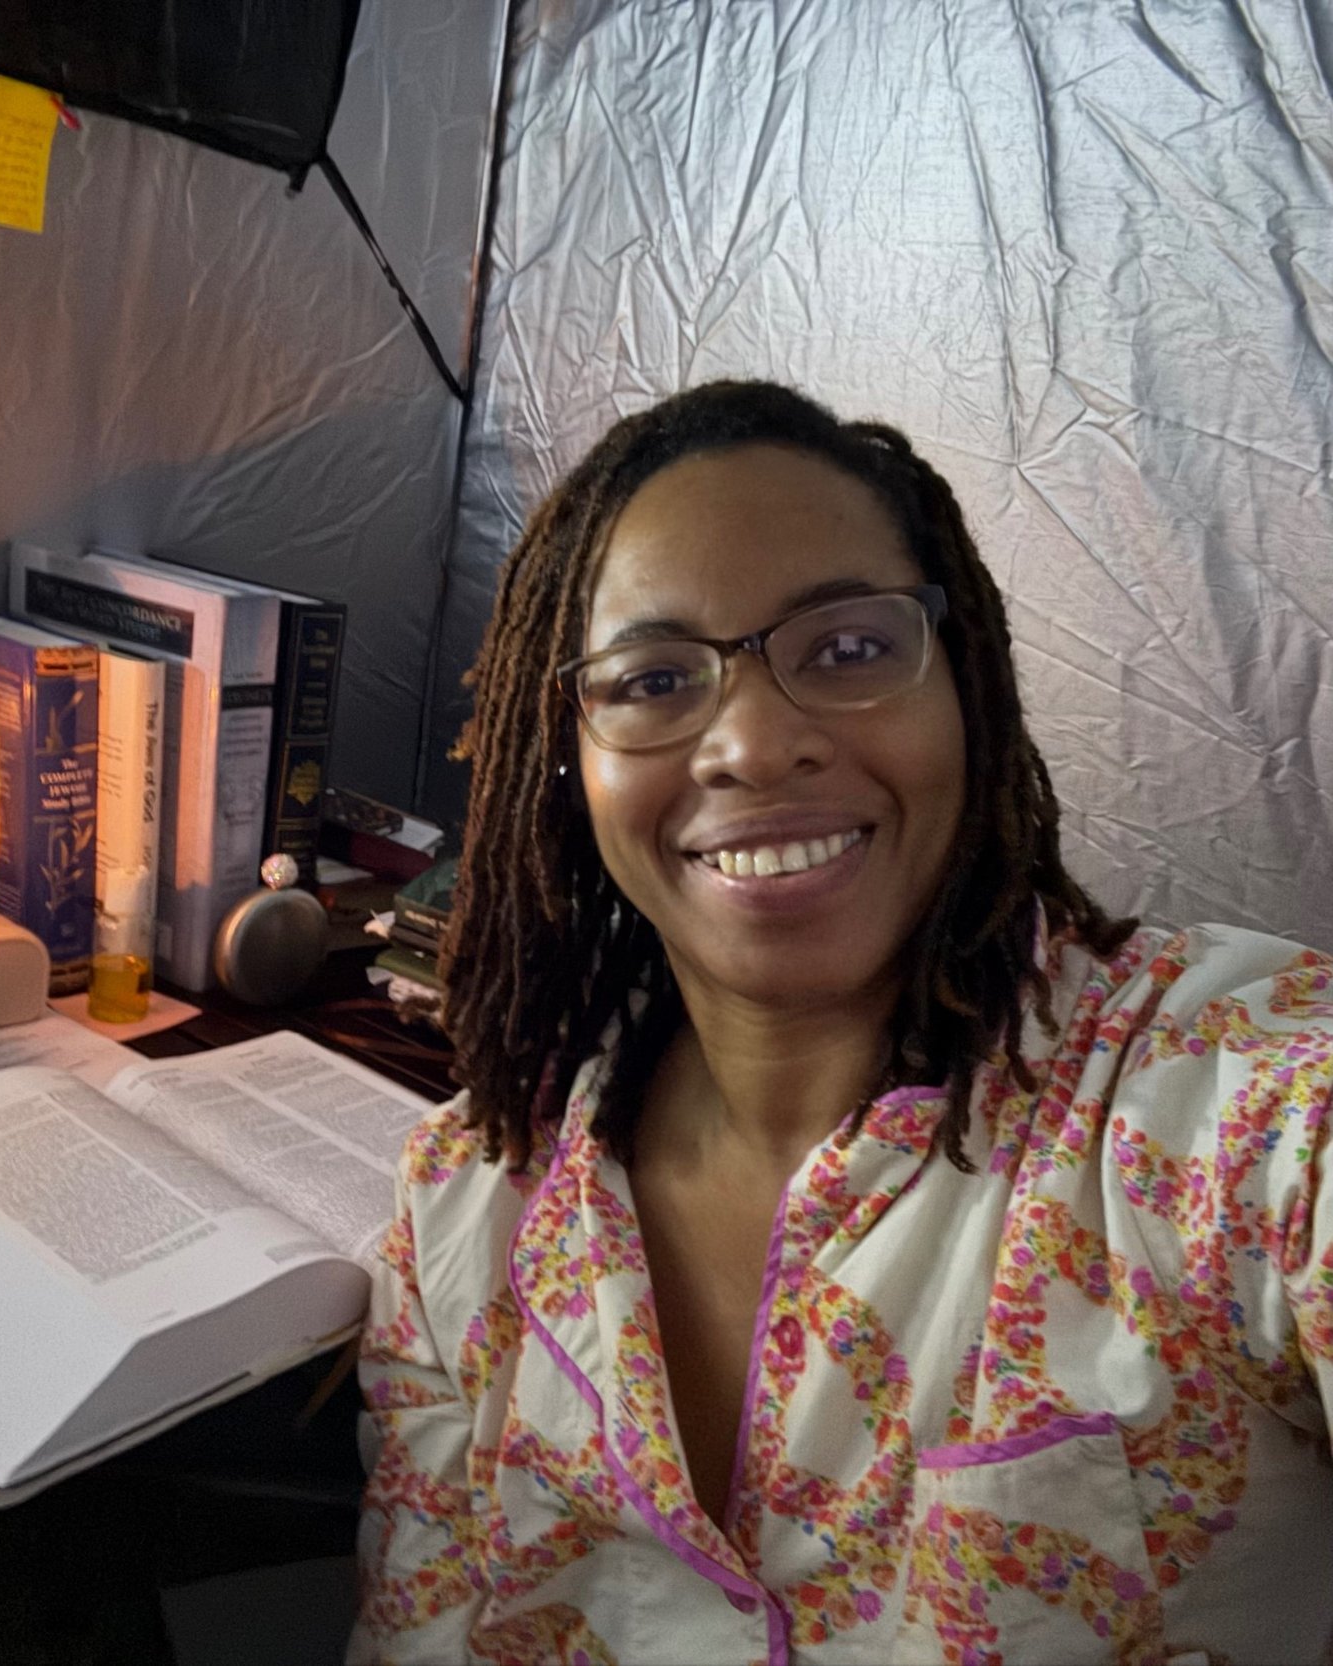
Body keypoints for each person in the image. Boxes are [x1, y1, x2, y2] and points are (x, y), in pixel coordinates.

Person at [349, 382, 1333, 1665]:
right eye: (654, 677)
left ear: (967, 689)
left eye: (851, 649)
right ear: (570, 755)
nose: (755, 745)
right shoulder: (465, 1213)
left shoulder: (1231, 1097)